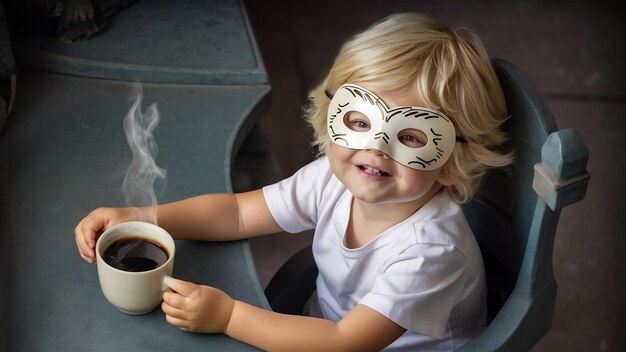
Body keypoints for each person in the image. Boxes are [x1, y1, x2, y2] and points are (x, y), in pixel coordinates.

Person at [75, 13, 512, 351]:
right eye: (360, 121)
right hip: (321, 328)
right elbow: (238, 212)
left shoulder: (431, 252)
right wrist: (142, 219)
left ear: (454, 162)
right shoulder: (333, 179)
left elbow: (346, 343)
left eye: (412, 136)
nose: (377, 148)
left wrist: (228, 317)